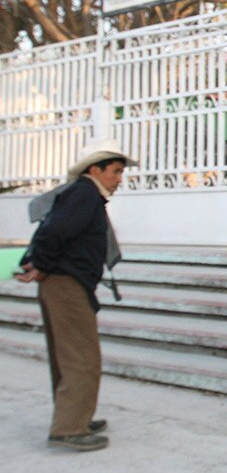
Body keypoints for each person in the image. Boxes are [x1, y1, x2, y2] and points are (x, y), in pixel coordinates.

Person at [16, 139, 137, 452]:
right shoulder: (84, 193)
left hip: (65, 283)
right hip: (65, 284)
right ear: (94, 170)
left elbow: (52, 229)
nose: (119, 179)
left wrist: (40, 264)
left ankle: (75, 417)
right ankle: (70, 428)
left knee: (68, 356)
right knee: (82, 357)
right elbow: (54, 231)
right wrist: (40, 265)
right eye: (115, 172)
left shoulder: (82, 194)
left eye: (121, 173)